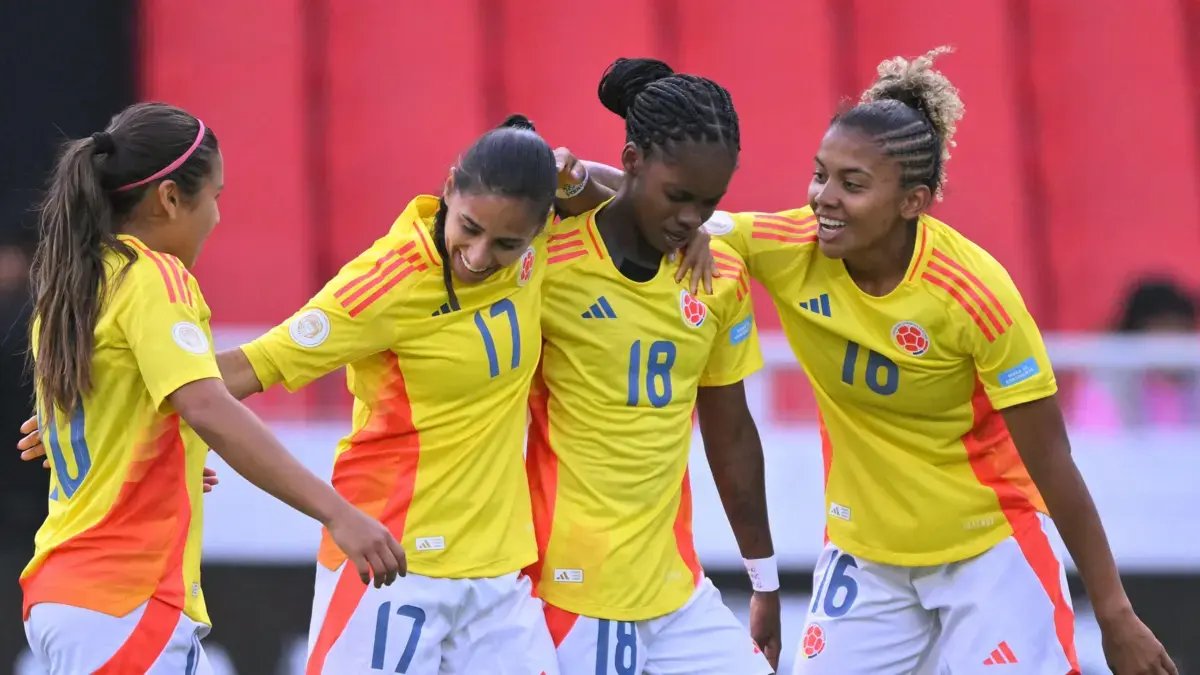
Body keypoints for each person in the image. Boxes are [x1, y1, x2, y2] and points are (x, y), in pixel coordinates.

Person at [705, 48, 1176, 674]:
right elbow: (665, 209)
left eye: (852, 184)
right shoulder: (790, 247)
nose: (823, 199)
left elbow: (1052, 461)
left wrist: (1115, 614)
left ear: (913, 201)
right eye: (820, 175)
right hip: (865, 555)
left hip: (988, 553)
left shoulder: (975, 294)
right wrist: (579, 182)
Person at [20, 102, 404, 675]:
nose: (218, 217)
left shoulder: (77, 286)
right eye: (215, 196)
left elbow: (128, 414)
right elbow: (206, 405)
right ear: (170, 198)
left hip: (72, 591)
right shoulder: (154, 277)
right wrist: (337, 513)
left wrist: (166, 460)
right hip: (124, 600)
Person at [528, 57, 778, 675]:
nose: (692, 218)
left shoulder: (718, 275)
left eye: (709, 202)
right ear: (632, 161)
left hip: (676, 590)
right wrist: (569, 181)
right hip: (569, 589)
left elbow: (732, 433)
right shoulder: (545, 262)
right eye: (679, 197)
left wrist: (764, 580)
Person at [1069, 278, 1199, 429]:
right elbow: (1094, 434)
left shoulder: (1193, 375)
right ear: (1137, 331)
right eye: (1164, 329)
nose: (1173, 343)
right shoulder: (1107, 380)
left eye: (1181, 330)